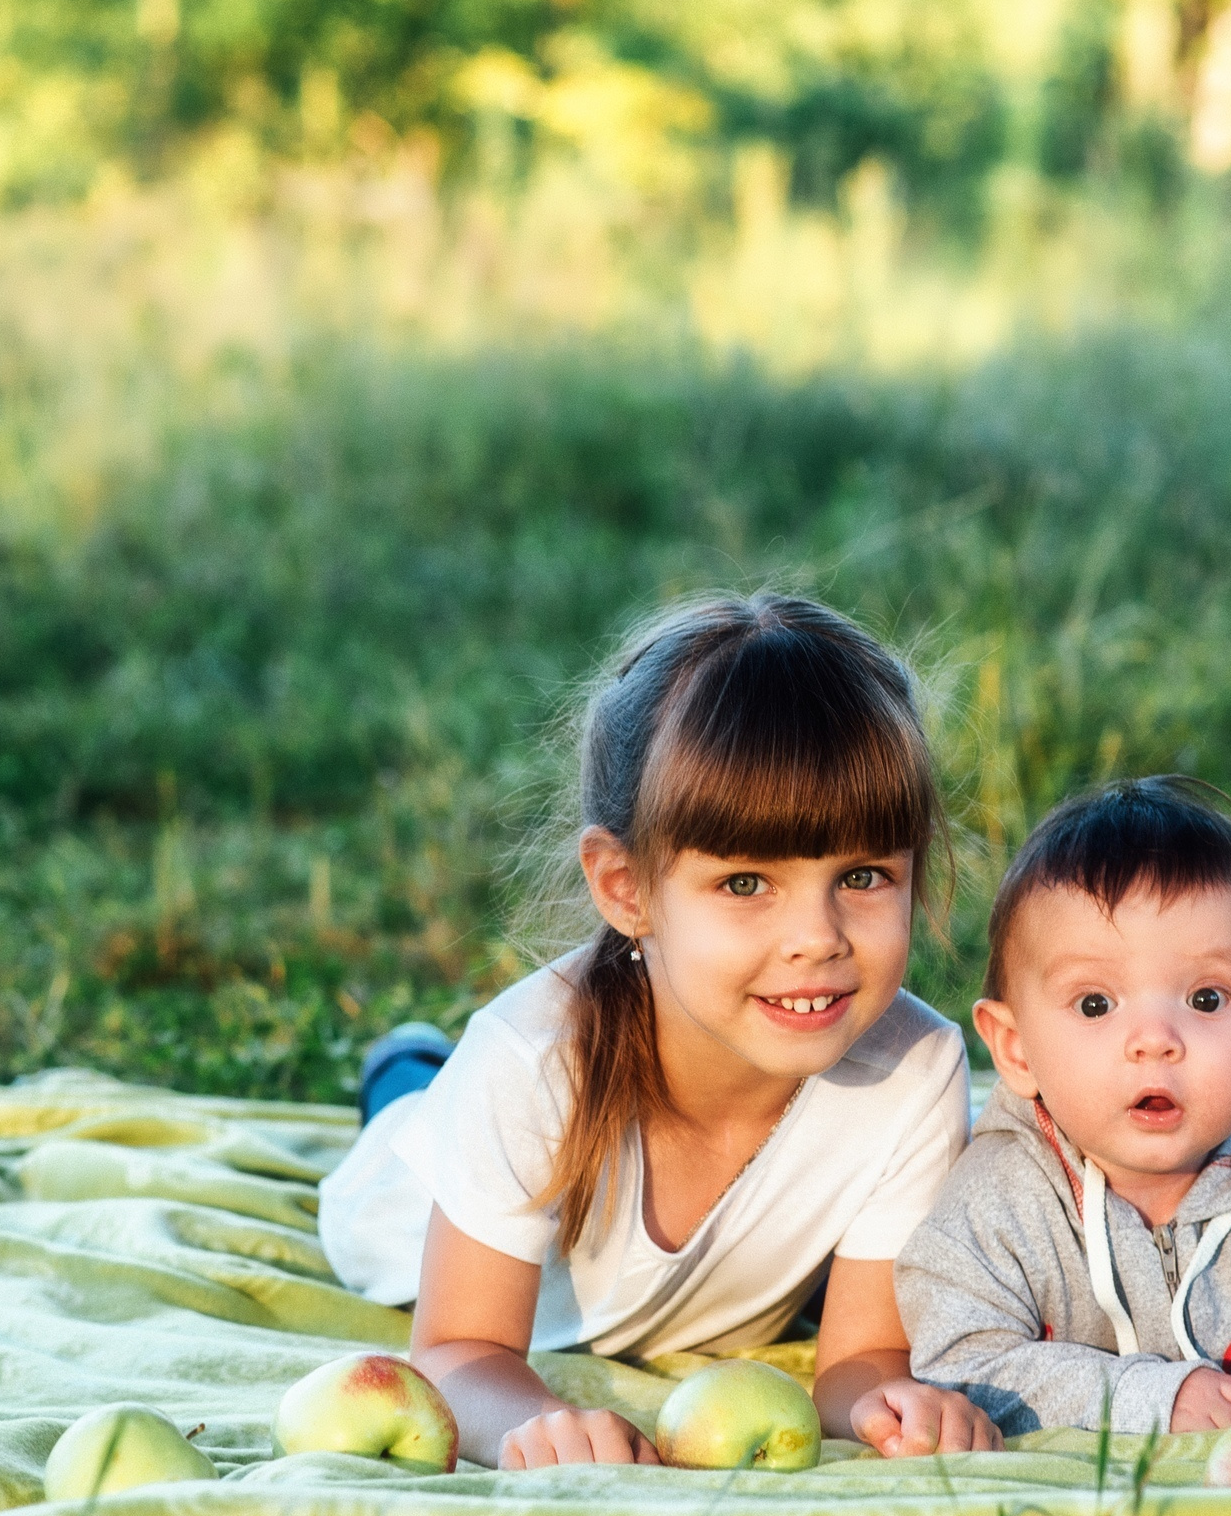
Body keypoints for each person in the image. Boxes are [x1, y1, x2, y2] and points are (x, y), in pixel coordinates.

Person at [318, 592, 1002, 1469]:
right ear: (626, 888)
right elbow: (456, 1349)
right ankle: (406, 1068)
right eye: (746, 883)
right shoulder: (530, 1063)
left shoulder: (915, 1069)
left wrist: (881, 1403)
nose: (818, 938)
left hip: (680, 1285)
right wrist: (536, 1422)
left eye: (863, 875)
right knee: (410, 1114)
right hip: (406, 1203)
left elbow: (862, 1355)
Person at [895, 777, 1231, 1444]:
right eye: (1095, 1004)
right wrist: (1143, 1397)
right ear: (1015, 1049)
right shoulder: (998, 1200)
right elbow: (963, 1363)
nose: (1154, 1040)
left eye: (1206, 999)